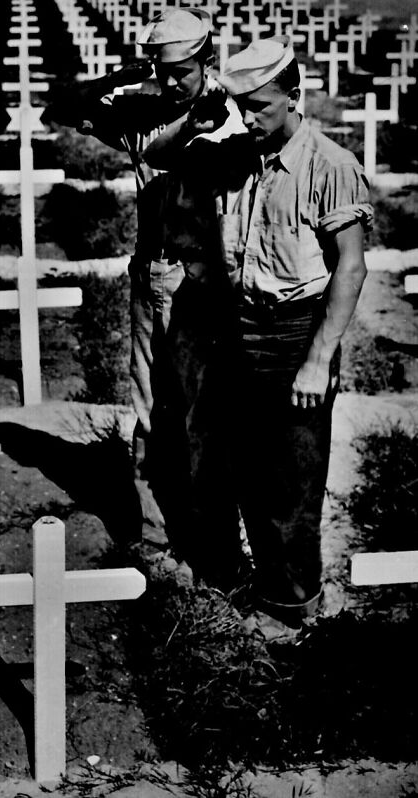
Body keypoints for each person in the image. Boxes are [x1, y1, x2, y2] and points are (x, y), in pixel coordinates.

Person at [144, 36, 372, 634]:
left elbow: (350, 268)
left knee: (292, 481)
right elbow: (164, 156)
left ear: (294, 96)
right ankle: (263, 588)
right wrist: (199, 117)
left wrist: (317, 358)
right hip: (238, 328)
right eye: (243, 107)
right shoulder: (239, 154)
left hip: (296, 334)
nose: (250, 119)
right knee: (244, 467)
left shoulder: (329, 164)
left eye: (262, 107)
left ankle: (296, 610)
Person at [48, 8, 249, 590]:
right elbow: (64, 105)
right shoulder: (151, 106)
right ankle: (156, 535)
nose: (169, 83)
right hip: (150, 272)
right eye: (161, 72)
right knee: (147, 406)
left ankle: (213, 543)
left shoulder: (232, 114)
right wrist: (130, 74)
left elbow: (180, 160)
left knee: (202, 411)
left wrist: (184, 115)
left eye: (179, 72)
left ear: (207, 61)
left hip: (204, 278)